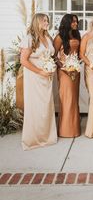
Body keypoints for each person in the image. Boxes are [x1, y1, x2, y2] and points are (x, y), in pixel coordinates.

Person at [20, 13, 57, 150]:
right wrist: (40, 71)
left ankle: (47, 137)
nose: (47, 22)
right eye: (45, 21)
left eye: (48, 20)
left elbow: (50, 55)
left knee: (46, 105)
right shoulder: (30, 38)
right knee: (35, 106)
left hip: (47, 77)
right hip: (34, 77)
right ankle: (33, 139)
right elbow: (23, 60)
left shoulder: (47, 37)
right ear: (37, 22)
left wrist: (50, 67)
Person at [54, 14, 81, 138]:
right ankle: (65, 130)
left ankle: (74, 129)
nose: (76, 23)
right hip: (64, 71)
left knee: (74, 99)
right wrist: (64, 68)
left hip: (76, 70)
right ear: (67, 22)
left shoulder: (76, 35)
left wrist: (77, 65)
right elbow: (53, 56)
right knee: (67, 99)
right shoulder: (59, 37)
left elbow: (79, 54)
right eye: (73, 22)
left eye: (76, 21)